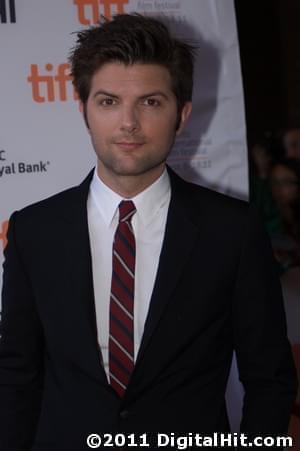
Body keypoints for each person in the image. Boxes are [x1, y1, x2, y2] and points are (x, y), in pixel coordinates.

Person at [0, 13, 297, 451]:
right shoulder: (33, 232)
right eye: (108, 102)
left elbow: (269, 377)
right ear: (82, 108)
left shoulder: (232, 232)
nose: (129, 123)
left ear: (182, 114)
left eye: (151, 102)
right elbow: (16, 377)